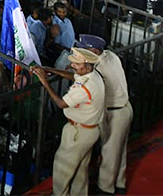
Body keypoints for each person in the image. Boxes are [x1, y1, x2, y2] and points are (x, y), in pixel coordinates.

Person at [32, 48, 107, 196]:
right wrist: (50, 70)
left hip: (79, 134)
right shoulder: (92, 75)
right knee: (80, 170)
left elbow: (61, 103)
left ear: (87, 65)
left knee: (62, 168)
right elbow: (74, 77)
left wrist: (45, 82)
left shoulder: (85, 87)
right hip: (90, 131)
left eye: (76, 64)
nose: (73, 65)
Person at [77, 35, 131, 195]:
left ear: (94, 51)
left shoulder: (98, 69)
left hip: (115, 113)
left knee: (109, 152)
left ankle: (106, 189)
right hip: (125, 108)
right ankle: (120, 183)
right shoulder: (110, 56)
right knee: (120, 150)